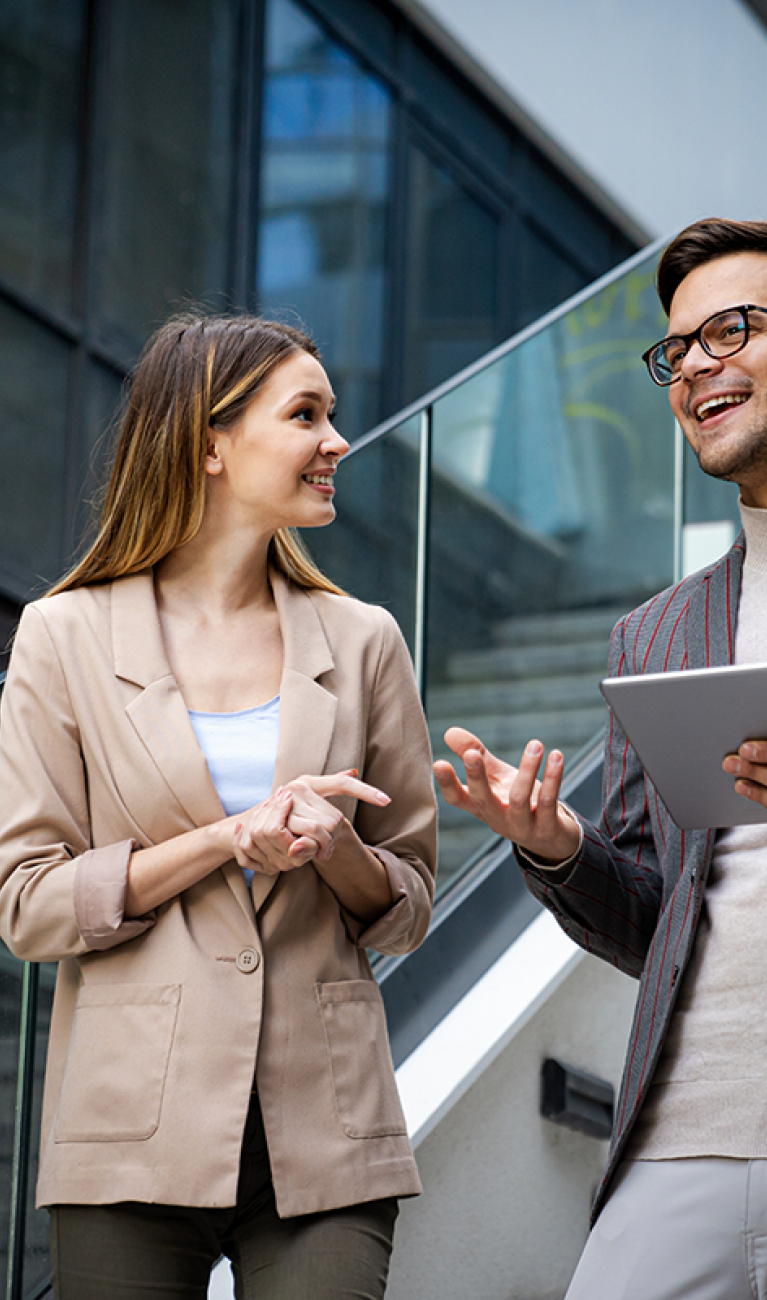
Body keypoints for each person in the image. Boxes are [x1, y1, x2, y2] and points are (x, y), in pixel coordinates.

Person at [0, 312, 437, 1300]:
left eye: (333, 415)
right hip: (128, 1122)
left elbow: (408, 902)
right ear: (209, 440)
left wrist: (335, 852)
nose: (337, 442)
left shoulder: (364, 639)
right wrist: (224, 837)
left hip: (324, 1126)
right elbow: (27, 905)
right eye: (305, 415)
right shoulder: (63, 636)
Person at [434, 217, 767, 1299]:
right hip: (687, 1128)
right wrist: (558, 844)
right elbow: (646, 922)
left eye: (732, 327)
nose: (698, 365)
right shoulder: (655, 634)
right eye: (678, 349)